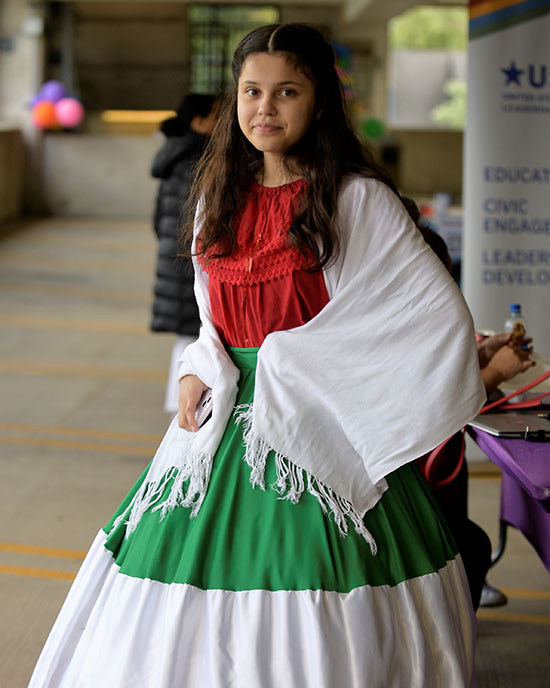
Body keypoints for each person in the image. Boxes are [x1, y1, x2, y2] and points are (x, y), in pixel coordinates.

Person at [30, 24, 487, 687]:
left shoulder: (356, 199)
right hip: (217, 435)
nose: (264, 108)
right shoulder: (216, 197)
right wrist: (195, 366)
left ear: (321, 102)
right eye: (250, 91)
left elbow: (430, 316)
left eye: (286, 92)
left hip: (318, 436)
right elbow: (209, 319)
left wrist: (296, 365)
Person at [415, 223, 535, 609]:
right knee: (473, 545)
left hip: (420, 474)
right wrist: (495, 372)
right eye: (443, 276)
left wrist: (483, 356)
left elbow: (442, 376)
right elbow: (433, 402)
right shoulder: (400, 324)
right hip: (399, 489)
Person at [150, 93, 219, 413]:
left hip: (175, 258)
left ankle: (179, 408)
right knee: (194, 335)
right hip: (187, 262)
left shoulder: (177, 155)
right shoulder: (199, 159)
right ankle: (182, 410)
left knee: (190, 335)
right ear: (198, 121)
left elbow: (158, 218)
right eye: (217, 115)